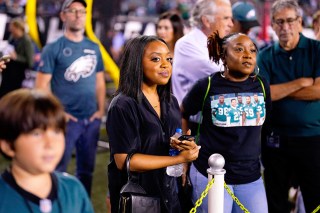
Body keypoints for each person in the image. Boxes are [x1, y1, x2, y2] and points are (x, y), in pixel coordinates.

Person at [106, 35, 199, 213]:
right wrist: (178, 159)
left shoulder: (170, 101)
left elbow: (170, 139)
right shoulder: (122, 105)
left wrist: (184, 145)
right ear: (136, 63)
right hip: (138, 199)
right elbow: (124, 160)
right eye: (156, 59)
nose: (165, 64)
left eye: (169, 59)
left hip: (170, 194)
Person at [181, 32, 271, 213]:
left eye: (252, 51)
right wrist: (186, 152)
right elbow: (184, 112)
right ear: (223, 55)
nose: (248, 55)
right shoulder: (206, 85)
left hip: (251, 177)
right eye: (239, 49)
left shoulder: (261, 85)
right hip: (210, 175)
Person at [35, 0, 106, 196]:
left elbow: (99, 81)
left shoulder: (93, 46)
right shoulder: (53, 48)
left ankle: (81, 206)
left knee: (86, 171)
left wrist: (100, 110)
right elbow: (40, 87)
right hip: (65, 122)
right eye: (72, 11)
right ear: (63, 15)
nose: (77, 15)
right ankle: (54, 206)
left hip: (91, 120)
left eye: (82, 11)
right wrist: (59, 114)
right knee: (56, 170)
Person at [258, 0, 320, 212]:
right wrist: (302, 82)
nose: (285, 27)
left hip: (312, 138)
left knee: (315, 198)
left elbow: (319, 91)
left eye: (290, 21)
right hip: (275, 140)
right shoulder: (265, 56)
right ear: (273, 25)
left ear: (300, 22)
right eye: (280, 22)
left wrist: (280, 91)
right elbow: (265, 94)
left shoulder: (316, 50)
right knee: (276, 201)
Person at [0, 89, 94, 213]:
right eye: (37, 134)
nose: (50, 144)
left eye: (56, 131)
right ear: (8, 145)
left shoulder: (73, 189)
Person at [171, 0, 233, 134]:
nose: (231, 24)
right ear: (206, 21)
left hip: (216, 127)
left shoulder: (221, 44)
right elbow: (224, 75)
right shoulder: (187, 45)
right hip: (193, 128)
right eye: (226, 18)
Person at [0, 17, 34, 98]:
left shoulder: (26, 41)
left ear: (18, 28)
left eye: (12, 28)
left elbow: (30, 62)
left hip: (17, 75)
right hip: (8, 72)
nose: (10, 30)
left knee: (12, 96)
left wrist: (16, 57)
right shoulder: (12, 37)